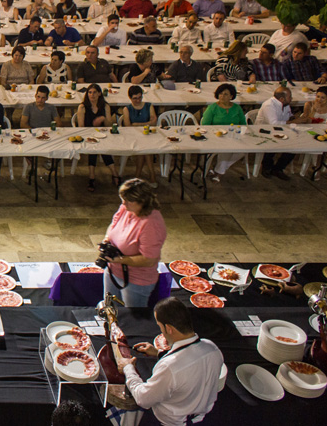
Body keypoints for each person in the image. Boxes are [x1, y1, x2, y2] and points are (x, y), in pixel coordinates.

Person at [119, 297, 225, 426]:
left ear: (169, 328)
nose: (161, 331)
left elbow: (143, 398)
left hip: (169, 422)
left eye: (159, 326)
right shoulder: (212, 348)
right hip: (201, 417)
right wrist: (158, 353)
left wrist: (128, 368)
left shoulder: (169, 368)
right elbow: (190, 366)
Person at [99, 177, 166, 307]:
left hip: (136, 281)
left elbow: (149, 259)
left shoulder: (151, 224)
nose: (124, 204)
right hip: (113, 272)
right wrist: (107, 239)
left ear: (142, 202)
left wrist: (121, 260)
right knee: (109, 308)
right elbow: (113, 225)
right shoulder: (126, 208)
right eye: (123, 200)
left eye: (128, 201)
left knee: (131, 318)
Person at [77, 84, 120, 192]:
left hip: (102, 134)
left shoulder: (105, 106)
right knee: (95, 146)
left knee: (102, 146)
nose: (92, 95)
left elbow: (109, 124)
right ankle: (112, 174)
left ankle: (94, 177)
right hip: (87, 134)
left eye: (94, 92)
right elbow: (80, 127)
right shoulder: (82, 107)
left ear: (99, 93)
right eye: (90, 92)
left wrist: (103, 117)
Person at [202, 83, 246, 181]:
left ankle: (219, 169)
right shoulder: (212, 108)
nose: (222, 96)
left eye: (225, 94)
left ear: (231, 96)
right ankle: (219, 173)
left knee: (243, 151)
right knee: (226, 149)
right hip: (216, 136)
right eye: (220, 93)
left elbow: (243, 123)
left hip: (233, 135)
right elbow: (205, 125)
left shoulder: (237, 108)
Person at [258, 85, 298, 181]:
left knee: (295, 146)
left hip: (282, 130)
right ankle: (266, 167)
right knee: (273, 143)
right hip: (264, 131)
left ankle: (278, 168)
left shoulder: (286, 105)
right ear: (281, 98)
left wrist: (294, 118)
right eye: (289, 97)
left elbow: (289, 115)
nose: (291, 98)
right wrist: (292, 122)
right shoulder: (269, 105)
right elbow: (273, 124)